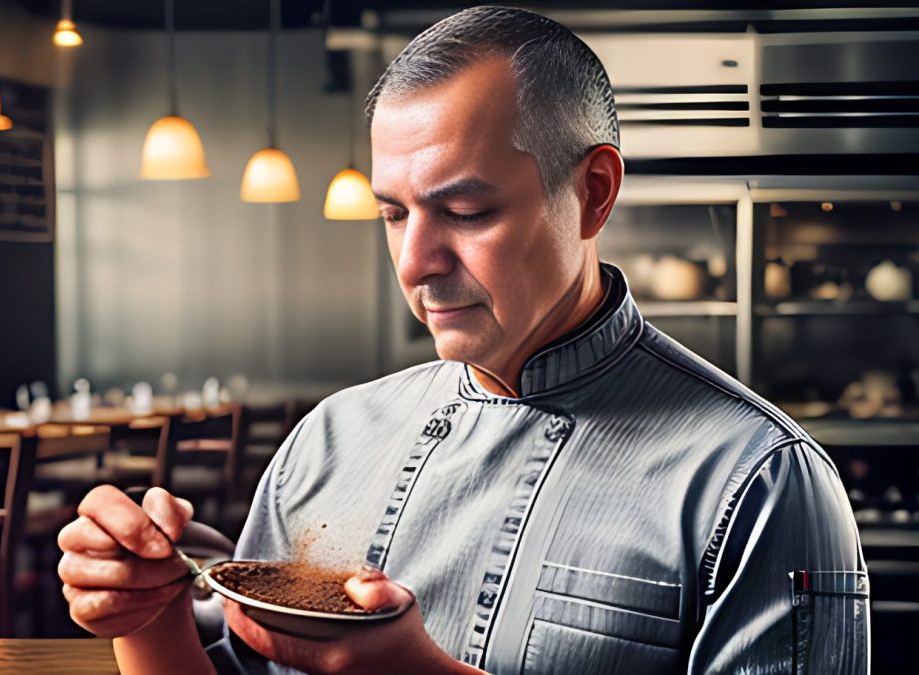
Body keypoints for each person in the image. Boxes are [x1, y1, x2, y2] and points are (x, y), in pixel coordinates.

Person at [58, 6, 870, 674]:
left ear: (592, 193)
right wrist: (146, 613)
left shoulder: (762, 480)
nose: (416, 262)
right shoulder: (331, 439)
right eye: (394, 212)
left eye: (467, 211)